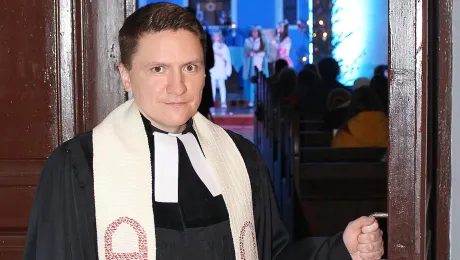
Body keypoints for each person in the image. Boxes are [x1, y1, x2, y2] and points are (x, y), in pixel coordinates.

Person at [23, 3, 384, 260]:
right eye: (158, 69)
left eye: (190, 67)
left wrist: (341, 248)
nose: (177, 86)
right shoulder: (79, 168)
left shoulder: (241, 158)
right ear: (126, 75)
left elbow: (273, 253)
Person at [244, 25, 269, 107]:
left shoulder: (262, 40)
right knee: (252, 83)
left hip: (260, 64)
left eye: (256, 31)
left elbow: (265, 52)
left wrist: (256, 53)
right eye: (253, 31)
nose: (254, 33)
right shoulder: (248, 41)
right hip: (252, 65)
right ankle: (251, 100)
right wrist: (249, 53)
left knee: (260, 83)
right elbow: (245, 52)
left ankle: (260, 100)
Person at [210, 30, 232, 108]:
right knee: (212, 85)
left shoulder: (224, 46)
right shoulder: (211, 46)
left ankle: (223, 101)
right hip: (213, 68)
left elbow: (227, 57)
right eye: (214, 36)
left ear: (220, 37)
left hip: (221, 67)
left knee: (221, 85)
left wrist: (219, 54)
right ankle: (212, 100)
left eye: (217, 36)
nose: (215, 37)